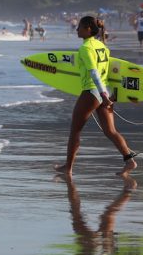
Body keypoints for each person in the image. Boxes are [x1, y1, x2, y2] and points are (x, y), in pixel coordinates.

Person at [54, 16, 137, 177]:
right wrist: (107, 94)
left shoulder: (85, 48)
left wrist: (102, 94)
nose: (77, 29)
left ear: (88, 29)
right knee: (110, 131)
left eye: (79, 27)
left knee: (75, 130)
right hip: (105, 90)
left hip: (93, 92)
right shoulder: (102, 46)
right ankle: (129, 160)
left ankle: (68, 167)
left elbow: (94, 72)